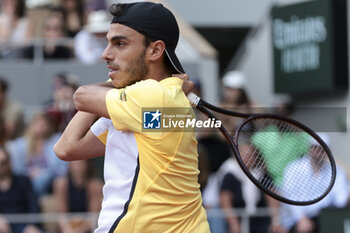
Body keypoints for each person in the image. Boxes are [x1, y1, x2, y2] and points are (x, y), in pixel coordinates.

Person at [54, 2, 210, 233]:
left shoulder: (154, 97)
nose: (105, 54)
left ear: (155, 50)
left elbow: (81, 96)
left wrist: (113, 85)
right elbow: (67, 148)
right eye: (108, 43)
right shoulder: (140, 106)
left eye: (120, 44)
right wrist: (120, 84)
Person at [278, 133, 349, 233]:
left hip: (326, 218)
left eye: (321, 149)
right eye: (315, 148)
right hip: (297, 221)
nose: (318, 152)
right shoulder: (293, 168)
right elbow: (290, 197)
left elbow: (340, 199)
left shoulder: (337, 171)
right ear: (309, 149)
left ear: (328, 151)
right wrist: (301, 218)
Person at [7, 112, 68, 197]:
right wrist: (29, 175)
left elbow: (61, 169)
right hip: (27, 178)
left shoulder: (56, 141)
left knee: (44, 178)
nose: (40, 125)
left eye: (43, 123)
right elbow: (16, 170)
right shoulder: (20, 144)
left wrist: (42, 173)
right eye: (37, 122)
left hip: (48, 179)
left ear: (49, 126)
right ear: (31, 125)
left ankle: (33, 199)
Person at [53, 160, 103, 233]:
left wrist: (78, 231)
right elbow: (61, 215)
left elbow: (93, 217)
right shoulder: (61, 185)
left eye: (80, 163)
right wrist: (68, 230)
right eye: (74, 163)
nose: (77, 167)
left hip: (87, 229)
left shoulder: (95, 186)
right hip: (67, 229)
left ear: (87, 165)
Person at [0, 147, 42, 233]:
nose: (1, 167)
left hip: (24, 226)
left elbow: (34, 205)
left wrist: (31, 224)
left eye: (3, 163)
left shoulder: (23, 181)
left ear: (9, 162)